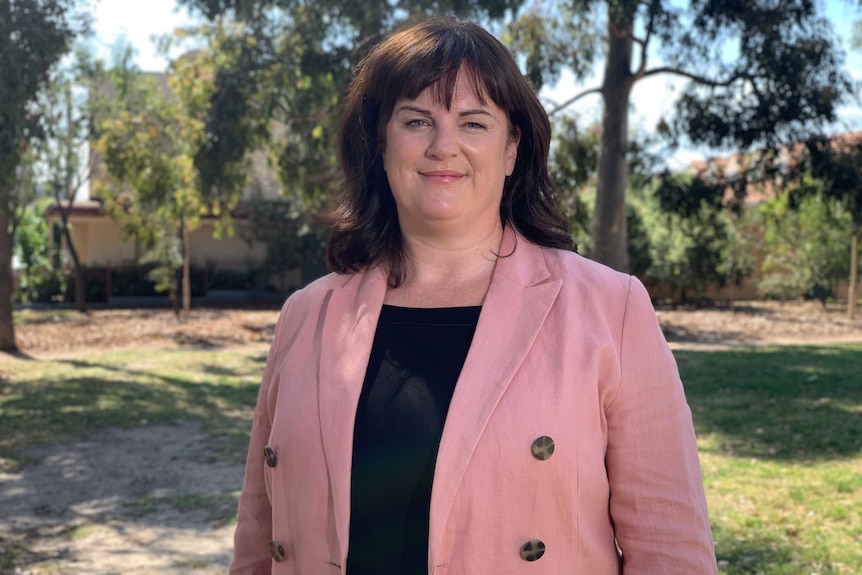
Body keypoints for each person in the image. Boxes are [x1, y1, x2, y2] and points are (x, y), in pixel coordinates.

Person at [230, 17, 717, 575]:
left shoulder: (612, 309)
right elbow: (258, 534)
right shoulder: (305, 316)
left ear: (512, 149)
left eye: (474, 122)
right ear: (380, 144)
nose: (444, 147)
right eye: (417, 120)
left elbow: (671, 548)